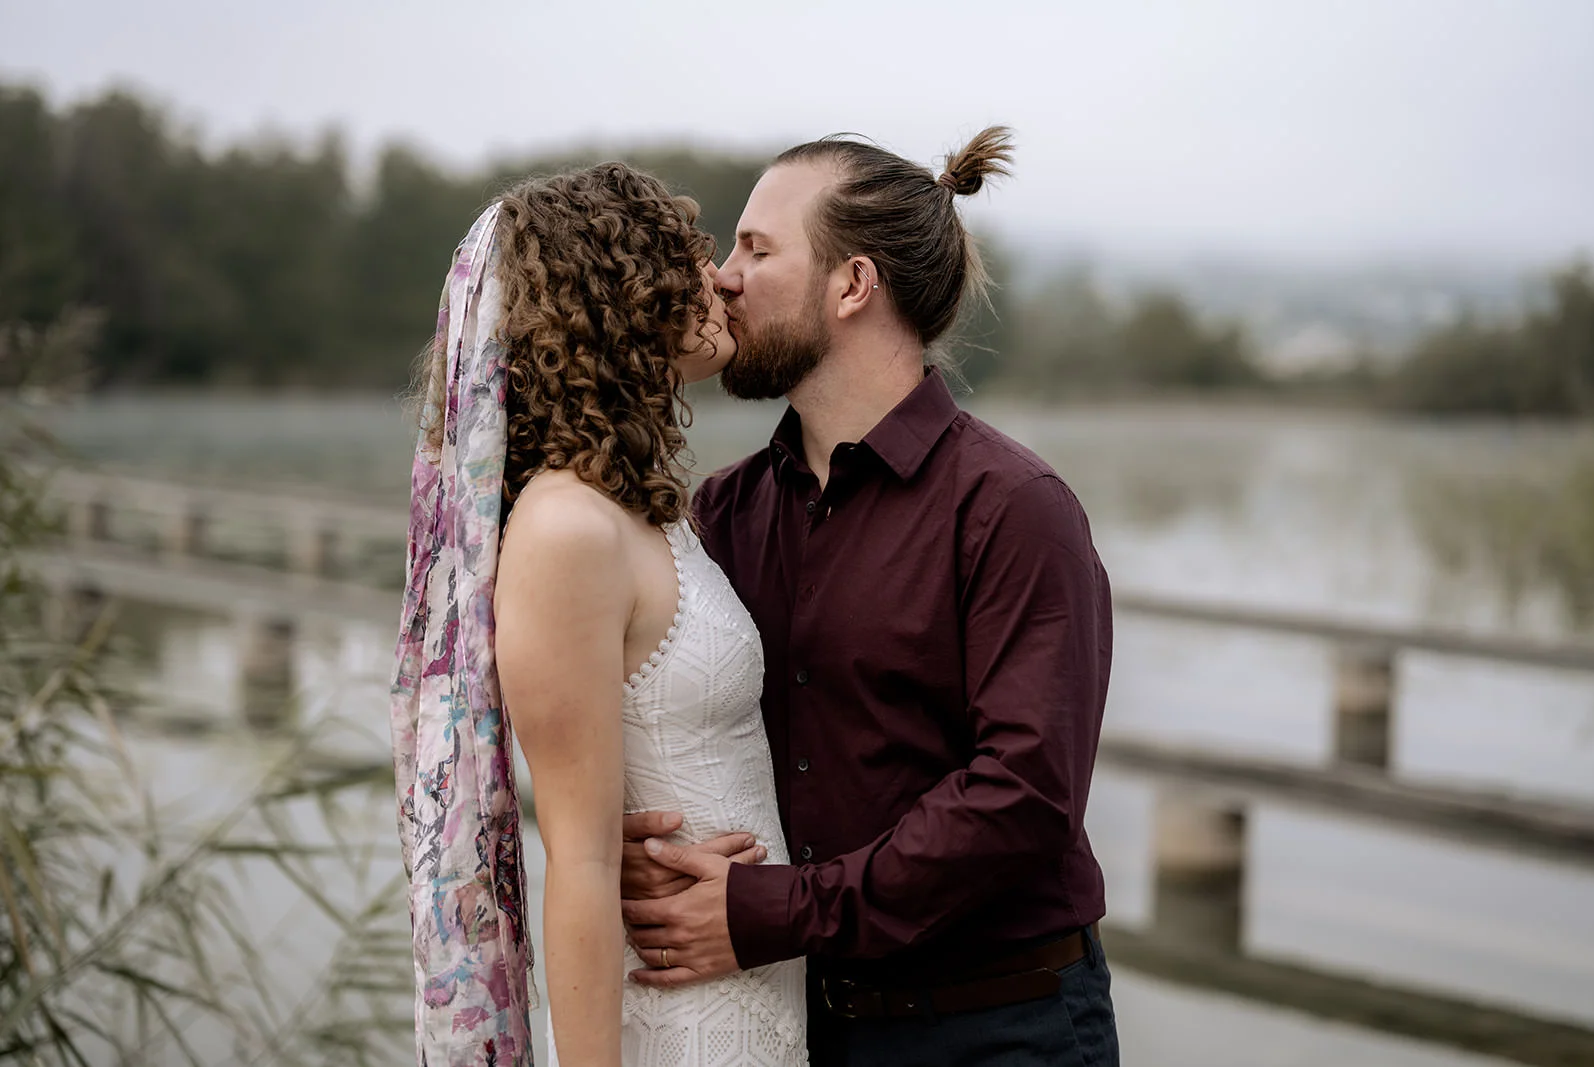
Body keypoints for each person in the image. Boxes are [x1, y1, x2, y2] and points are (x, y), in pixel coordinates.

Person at [619, 128, 1121, 1066]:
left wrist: (776, 909)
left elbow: (1024, 796)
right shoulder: (720, 511)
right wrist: (626, 827)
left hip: (995, 1028)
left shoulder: (1014, 508)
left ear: (852, 286)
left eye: (756, 250)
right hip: (797, 1020)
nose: (722, 278)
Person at [391, 163, 807, 1067]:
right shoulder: (565, 528)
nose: (718, 277)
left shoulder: (644, 512)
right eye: (688, 255)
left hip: (748, 982)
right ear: (620, 295)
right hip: (676, 1010)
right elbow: (578, 862)